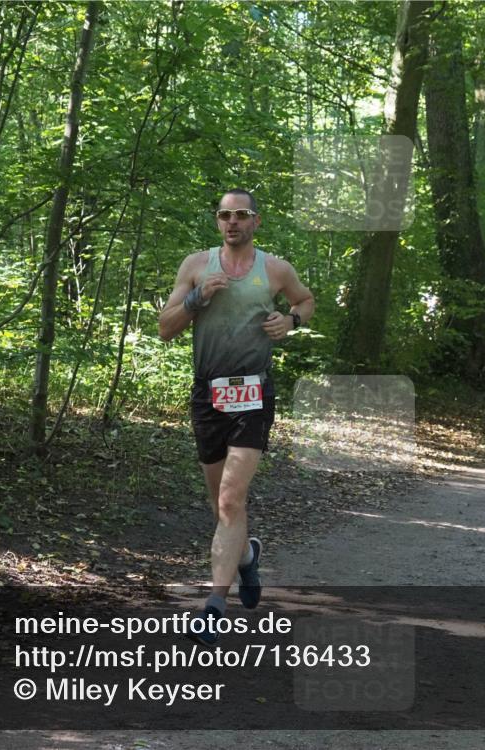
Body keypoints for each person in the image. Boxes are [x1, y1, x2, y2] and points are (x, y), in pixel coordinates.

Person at [158, 189, 315, 645]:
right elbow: (166, 329)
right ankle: (246, 555)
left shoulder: (275, 269)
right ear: (217, 222)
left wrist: (292, 322)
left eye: (241, 215)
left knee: (230, 500)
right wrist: (195, 301)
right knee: (220, 503)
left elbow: (306, 301)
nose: (233, 222)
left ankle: (212, 607)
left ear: (255, 221)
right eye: (225, 215)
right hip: (208, 393)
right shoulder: (195, 266)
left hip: (253, 393)